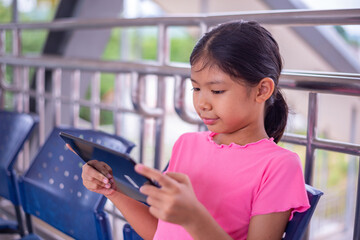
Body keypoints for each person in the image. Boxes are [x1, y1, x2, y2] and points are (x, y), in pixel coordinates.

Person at [81, 20, 310, 240]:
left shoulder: (279, 166)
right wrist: (112, 188)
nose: (202, 103)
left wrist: (193, 217)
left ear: (262, 90)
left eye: (217, 91)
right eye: (196, 88)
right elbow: (159, 233)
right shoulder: (187, 144)